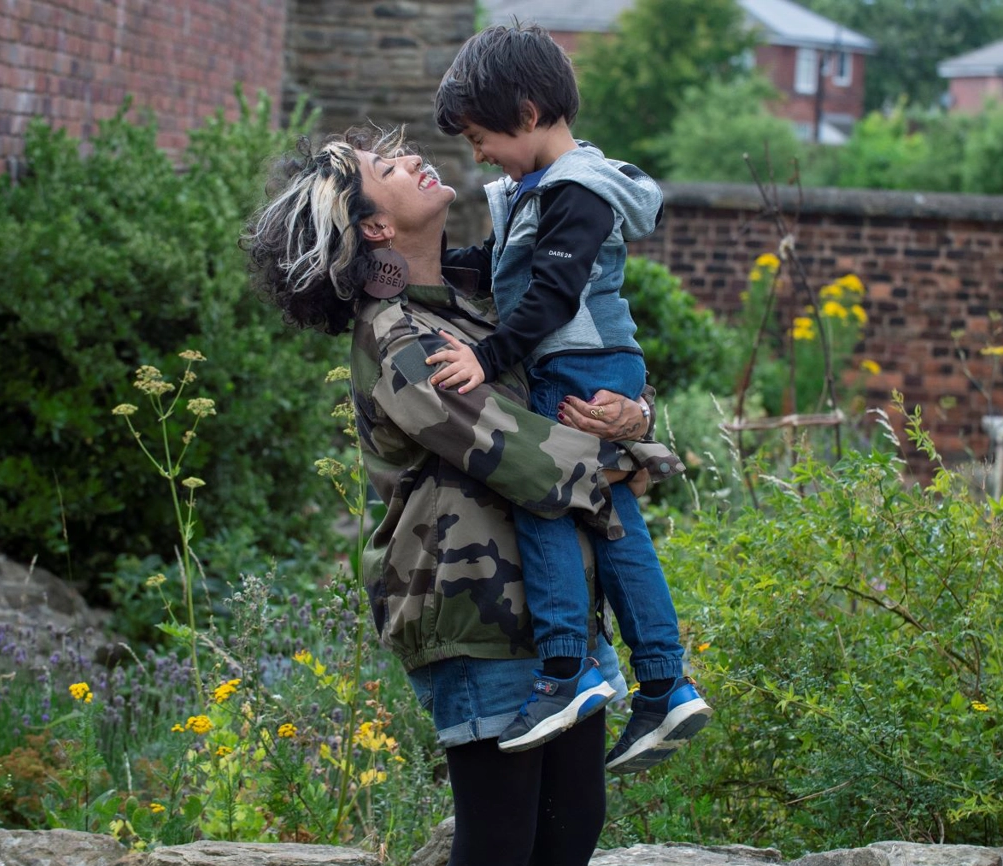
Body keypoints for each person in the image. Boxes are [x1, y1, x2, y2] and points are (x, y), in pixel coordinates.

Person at [241, 127, 680, 866]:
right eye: (387, 167)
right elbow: (521, 454)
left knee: (573, 827)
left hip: (563, 610)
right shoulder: (398, 338)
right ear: (375, 228)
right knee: (501, 842)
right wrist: (642, 457)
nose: (414, 158)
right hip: (477, 616)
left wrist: (636, 417)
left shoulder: (487, 296)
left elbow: (583, 374)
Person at [425, 22, 711, 769]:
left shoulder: (577, 190)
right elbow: (495, 266)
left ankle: (564, 671)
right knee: (613, 521)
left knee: (543, 496)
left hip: (578, 367)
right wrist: (420, 267)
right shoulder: (538, 189)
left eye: (482, 137)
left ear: (526, 113)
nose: (478, 155)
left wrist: (486, 357)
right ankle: (664, 684)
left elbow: (550, 296)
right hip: (593, 365)